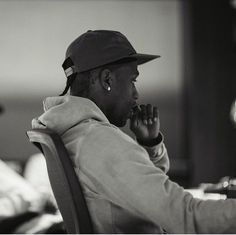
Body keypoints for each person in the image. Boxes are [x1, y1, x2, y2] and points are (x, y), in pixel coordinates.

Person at [32, 30, 236, 233]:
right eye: (132, 81)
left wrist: (150, 143)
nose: (136, 94)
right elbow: (188, 217)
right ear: (107, 80)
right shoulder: (100, 142)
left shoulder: (76, 133)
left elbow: (145, 196)